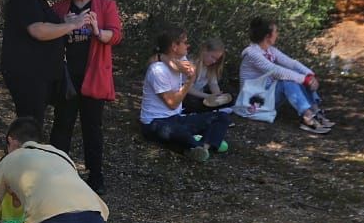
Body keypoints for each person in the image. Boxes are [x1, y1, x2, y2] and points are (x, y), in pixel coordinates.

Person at [48, 0, 123, 193]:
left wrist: (98, 31)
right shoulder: (60, 8)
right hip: (67, 75)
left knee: (92, 126)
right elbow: (48, 36)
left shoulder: (105, 6)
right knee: (62, 124)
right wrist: (64, 26)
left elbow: (116, 35)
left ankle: (95, 174)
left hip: (94, 75)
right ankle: (56, 172)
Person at [0, 0, 93, 130]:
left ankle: (30, 153)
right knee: (29, 125)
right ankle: (23, 155)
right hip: (27, 75)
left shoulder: (37, 0)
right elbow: (38, 30)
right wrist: (73, 25)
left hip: (39, 75)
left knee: (34, 122)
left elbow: (47, 26)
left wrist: (66, 22)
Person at [139, 29, 233, 161]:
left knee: (222, 117)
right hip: (154, 123)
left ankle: (202, 148)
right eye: (185, 42)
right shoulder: (157, 70)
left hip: (176, 118)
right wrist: (189, 81)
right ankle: (202, 144)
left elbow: (165, 57)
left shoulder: (181, 59)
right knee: (179, 133)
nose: (188, 45)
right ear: (174, 46)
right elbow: (172, 104)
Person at [239, 18, 333, 134]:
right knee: (288, 80)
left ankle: (315, 111)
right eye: (276, 32)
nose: (277, 34)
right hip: (253, 102)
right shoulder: (252, 54)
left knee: (297, 76)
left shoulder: (270, 50)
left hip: (267, 95)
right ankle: (307, 118)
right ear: (268, 36)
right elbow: (276, 71)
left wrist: (309, 74)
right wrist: (305, 79)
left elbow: (291, 63)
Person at [183, 37, 232, 114]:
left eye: (216, 59)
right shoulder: (191, 64)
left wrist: (217, 96)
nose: (214, 61)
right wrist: (207, 96)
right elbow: (187, 89)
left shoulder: (210, 68)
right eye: (212, 57)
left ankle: (216, 109)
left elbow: (213, 84)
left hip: (201, 95)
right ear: (204, 50)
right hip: (188, 96)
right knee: (192, 101)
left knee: (229, 94)